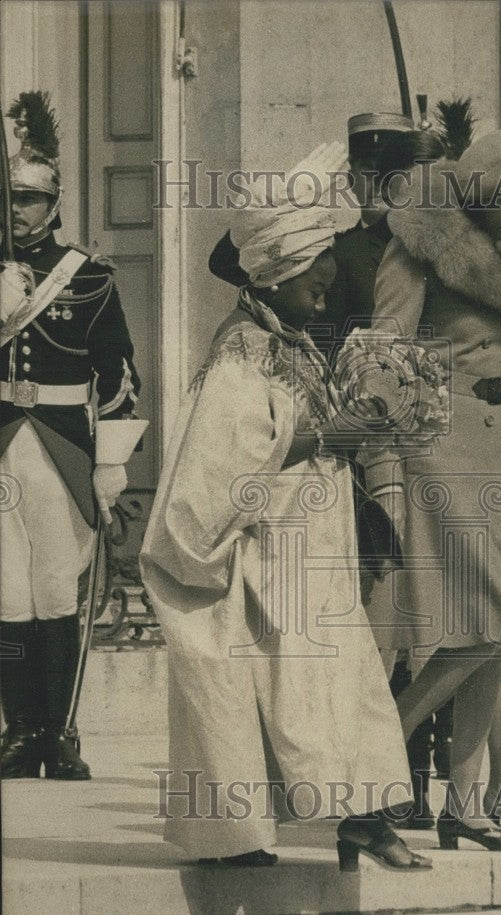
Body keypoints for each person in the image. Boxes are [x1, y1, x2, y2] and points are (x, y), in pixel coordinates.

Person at [139, 142, 431, 872]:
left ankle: (364, 816)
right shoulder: (241, 354)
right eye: (317, 287)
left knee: (345, 685)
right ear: (277, 275)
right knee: (255, 697)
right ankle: (235, 838)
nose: (326, 298)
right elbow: (219, 471)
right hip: (262, 560)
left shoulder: (286, 339)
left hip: (312, 554)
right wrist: (330, 435)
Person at [360, 127, 501, 851]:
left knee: (499, 627)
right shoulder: (417, 245)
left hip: (497, 449)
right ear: (491, 191)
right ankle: (375, 753)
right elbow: (384, 354)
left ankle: (465, 803)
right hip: (437, 449)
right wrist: (385, 463)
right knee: (481, 624)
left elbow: (485, 360)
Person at [0, 91, 141, 780]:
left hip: (59, 448)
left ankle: (59, 733)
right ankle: (20, 730)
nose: (17, 209)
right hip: (2, 445)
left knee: (56, 588)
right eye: (10, 198)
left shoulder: (87, 278)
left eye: (30, 199)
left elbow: (119, 376)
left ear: (54, 205)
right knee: (7, 591)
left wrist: (110, 461)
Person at [207, 111, 415, 356]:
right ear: (350, 180)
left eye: (391, 173)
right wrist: (284, 198)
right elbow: (225, 264)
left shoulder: (422, 255)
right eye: (369, 171)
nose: (379, 182)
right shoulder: (322, 249)